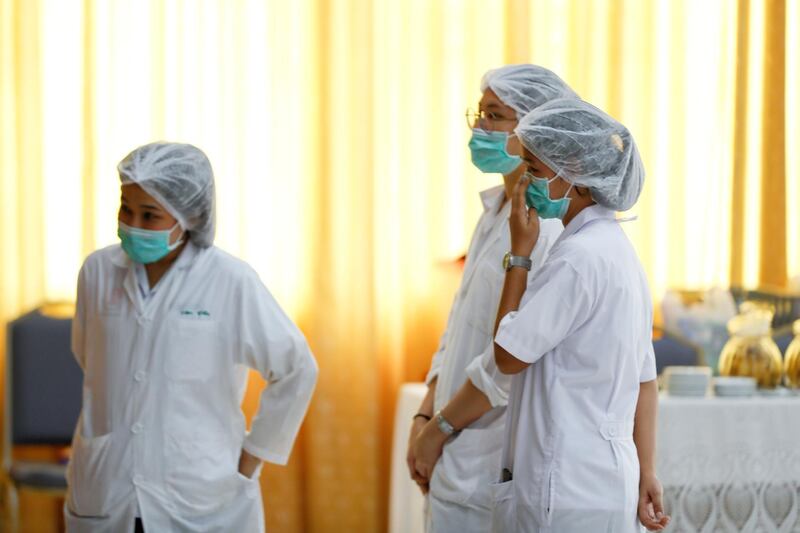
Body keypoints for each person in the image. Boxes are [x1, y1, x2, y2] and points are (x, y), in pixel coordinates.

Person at [66, 142, 318, 533]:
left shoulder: (230, 281)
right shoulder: (98, 272)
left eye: (150, 216)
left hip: (200, 492)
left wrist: (253, 456)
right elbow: (92, 359)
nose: (132, 224)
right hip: (108, 485)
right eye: (125, 208)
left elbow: (296, 368)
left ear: (190, 216)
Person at [406, 65, 576, 533]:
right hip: (454, 446)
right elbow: (459, 323)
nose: (480, 128)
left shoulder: (542, 233)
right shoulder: (497, 212)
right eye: (480, 113)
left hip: (488, 455)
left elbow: (507, 361)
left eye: (495, 115)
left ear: (535, 128)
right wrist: (425, 411)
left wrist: (437, 431)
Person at [489, 98, 670, 532]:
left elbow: (508, 357)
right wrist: (647, 470)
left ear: (578, 178)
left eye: (534, 169)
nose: (525, 182)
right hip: (608, 481)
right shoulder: (621, 253)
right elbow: (645, 382)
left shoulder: (577, 259)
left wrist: (519, 255)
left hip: (566, 488)